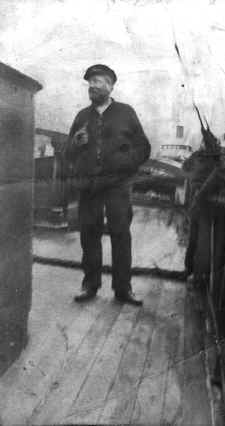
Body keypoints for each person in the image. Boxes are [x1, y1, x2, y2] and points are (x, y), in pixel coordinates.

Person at [63, 64, 151, 306]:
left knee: (120, 235)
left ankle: (123, 289)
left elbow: (144, 147)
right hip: (89, 187)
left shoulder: (126, 112)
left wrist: (125, 163)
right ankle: (90, 285)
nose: (92, 85)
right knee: (89, 235)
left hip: (117, 186)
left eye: (98, 81)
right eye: (90, 81)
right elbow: (67, 153)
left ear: (111, 86)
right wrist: (75, 143)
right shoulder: (82, 116)